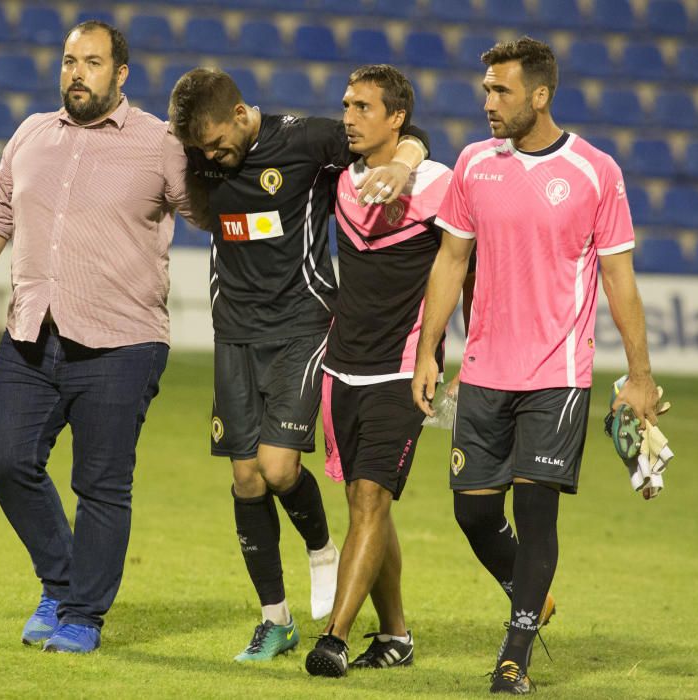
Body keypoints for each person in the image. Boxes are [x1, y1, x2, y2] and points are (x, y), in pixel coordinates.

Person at [0, 20, 208, 654]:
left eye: (90, 62)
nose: (75, 73)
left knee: (101, 485)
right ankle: (60, 583)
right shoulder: (31, 133)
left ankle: (83, 614)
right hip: (32, 333)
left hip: (123, 342)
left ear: (121, 74)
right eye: (67, 62)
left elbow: (208, 211)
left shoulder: (159, 143)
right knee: (4, 461)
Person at [411, 37, 662, 694]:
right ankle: (532, 594)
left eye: (502, 90)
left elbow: (619, 278)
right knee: (471, 512)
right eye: (487, 89)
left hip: (558, 376)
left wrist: (639, 376)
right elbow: (449, 262)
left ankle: (514, 654)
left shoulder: (594, 171)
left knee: (536, 512)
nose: (488, 101)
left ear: (541, 94)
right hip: (485, 370)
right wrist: (428, 349)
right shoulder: (473, 163)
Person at [167, 68, 429, 662]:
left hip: (301, 329)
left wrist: (405, 163)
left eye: (216, 143)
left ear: (240, 113)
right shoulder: (199, 156)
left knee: (280, 468)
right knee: (245, 479)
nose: (211, 157)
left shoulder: (307, 141)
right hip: (233, 334)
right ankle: (275, 620)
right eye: (200, 151)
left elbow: (403, 134)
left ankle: (319, 548)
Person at [297, 65, 453, 678]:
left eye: (364, 107)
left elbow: (463, 266)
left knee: (368, 500)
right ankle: (396, 635)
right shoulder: (339, 178)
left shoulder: (439, 184)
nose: (349, 117)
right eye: (346, 105)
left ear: (397, 118)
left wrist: (439, 354)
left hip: (401, 368)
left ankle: (334, 637)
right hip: (341, 366)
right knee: (368, 506)